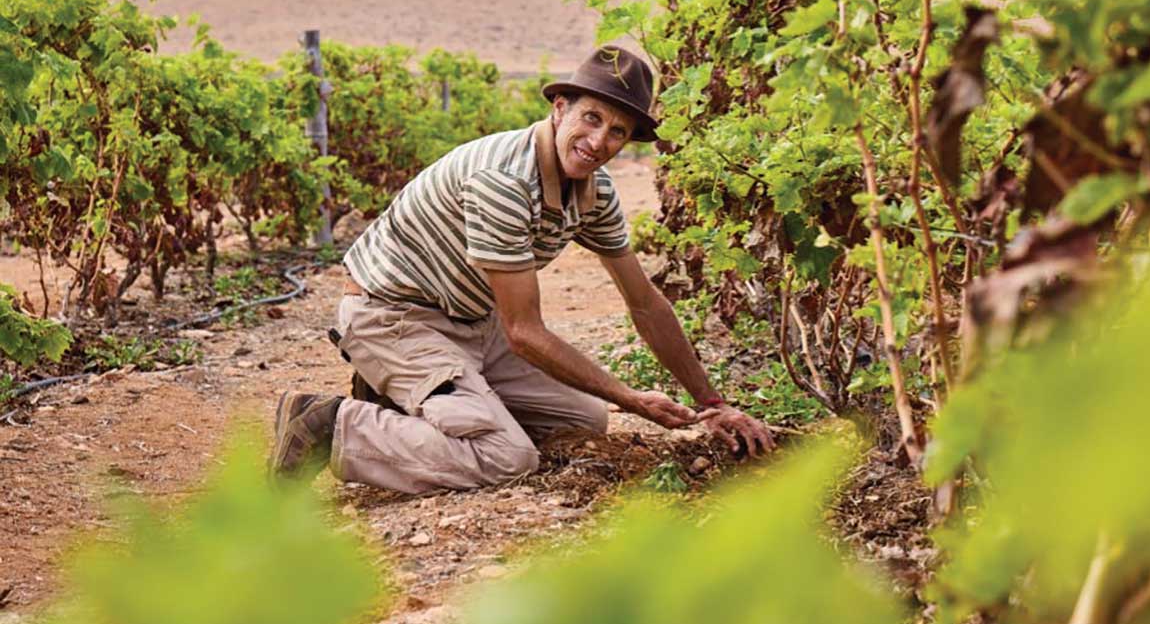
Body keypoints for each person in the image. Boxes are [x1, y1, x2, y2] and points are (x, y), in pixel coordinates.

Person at [269, 46, 774, 492]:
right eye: (591, 118)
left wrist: (711, 402)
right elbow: (525, 333)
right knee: (507, 458)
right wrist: (632, 398)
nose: (599, 141)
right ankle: (329, 423)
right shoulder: (504, 181)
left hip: (471, 322)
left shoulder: (593, 192)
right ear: (560, 109)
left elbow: (643, 301)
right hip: (394, 317)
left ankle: (412, 402)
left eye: (617, 132)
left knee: (585, 417)